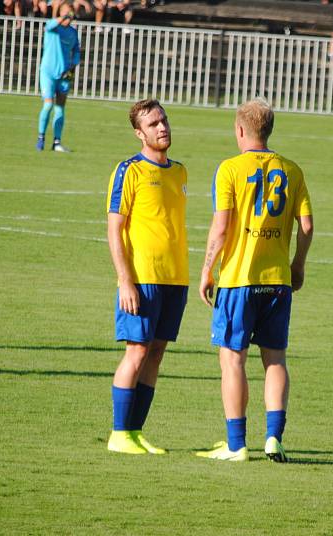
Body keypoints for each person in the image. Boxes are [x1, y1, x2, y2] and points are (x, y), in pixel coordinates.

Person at [196, 98, 314, 463]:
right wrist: (297, 265)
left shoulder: (230, 169)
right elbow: (306, 225)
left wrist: (206, 269)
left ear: (240, 130)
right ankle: (273, 439)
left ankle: (236, 445)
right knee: (275, 360)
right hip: (277, 279)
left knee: (232, 360)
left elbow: (221, 225)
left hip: (238, 280)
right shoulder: (292, 170)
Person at [105, 99, 189, 456]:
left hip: (175, 278)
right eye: (153, 124)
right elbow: (114, 229)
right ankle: (119, 433)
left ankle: (136, 433)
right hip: (142, 279)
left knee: (156, 353)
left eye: (164, 120)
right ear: (139, 133)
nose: (162, 127)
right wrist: (125, 280)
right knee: (136, 352)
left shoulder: (180, 171)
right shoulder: (129, 170)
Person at [36, 3, 80, 152]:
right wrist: (62, 17)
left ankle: (56, 142)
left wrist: (73, 67)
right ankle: (41, 137)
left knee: (60, 108)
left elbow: (76, 52)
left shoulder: (73, 33)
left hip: (64, 75)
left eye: (71, 13)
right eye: (66, 13)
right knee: (48, 105)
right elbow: (49, 25)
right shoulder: (53, 27)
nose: (69, 16)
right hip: (48, 73)